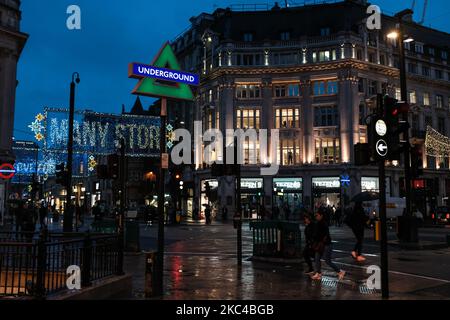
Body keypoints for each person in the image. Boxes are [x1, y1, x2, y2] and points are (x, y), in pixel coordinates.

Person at [310, 211, 345, 281]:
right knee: (317, 258)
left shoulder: (323, 224)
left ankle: (340, 271)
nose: (316, 217)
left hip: (326, 245)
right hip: (320, 244)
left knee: (327, 261)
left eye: (317, 215)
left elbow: (325, 235)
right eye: (315, 215)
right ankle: (318, 273)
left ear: (321, 216)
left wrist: (321, 241)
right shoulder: (318, 223)